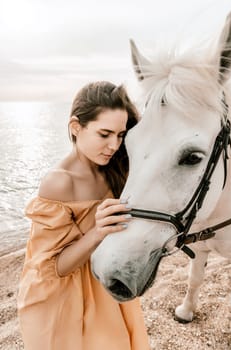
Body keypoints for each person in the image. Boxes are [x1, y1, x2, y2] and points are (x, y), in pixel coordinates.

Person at [18, 81, 150, 350]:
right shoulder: (59, 183)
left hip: (107, 282)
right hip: (66, 297)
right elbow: (54, 268)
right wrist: (98, 231)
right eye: (104, 134)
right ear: (76, 127)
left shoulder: (115, 168)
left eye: (121, 135)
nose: (114, 145)